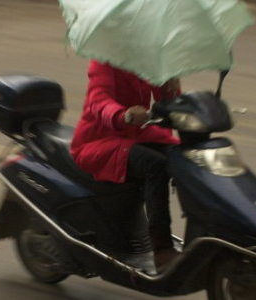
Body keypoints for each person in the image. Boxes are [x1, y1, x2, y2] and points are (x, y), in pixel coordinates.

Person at [70, 60, 181, 271]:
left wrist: (170, 84)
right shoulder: (103, 61)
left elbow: (166, 103)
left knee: (183, 158)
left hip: (136, 133)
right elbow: (98, 102)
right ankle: (162, 249)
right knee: (155, 166)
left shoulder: (148, 60)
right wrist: (124, 115)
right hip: (99, 141)